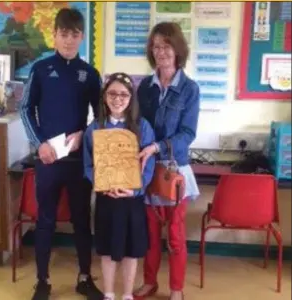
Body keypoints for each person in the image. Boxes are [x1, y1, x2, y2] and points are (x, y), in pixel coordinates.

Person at [20, 8, 103, 300]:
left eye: (74, 35)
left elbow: (102, 116)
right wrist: (39, 143)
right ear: (54, 35)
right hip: (49, 160)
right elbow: (25, 108)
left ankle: (84, 277)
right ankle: (42, 280)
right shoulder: (41, 70)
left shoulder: (90, 74)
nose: (69, 40)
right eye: (63, 34)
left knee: (82, 219)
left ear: (81, 37)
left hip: (79, 161)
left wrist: (85, 134)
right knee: (45, 220)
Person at [133, 22, 201, 300]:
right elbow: (135, 126)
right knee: (149, 236)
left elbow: (187, 133)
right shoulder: (144, 88)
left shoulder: (189, 89)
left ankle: (176, 289)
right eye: (156, 46)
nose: (161, 52)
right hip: (147, 171)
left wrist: (156, 147)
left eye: (166, 45)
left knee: (175, 236)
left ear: (177, 49)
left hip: (174, 173)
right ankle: (150, 283)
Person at [83, 72, 156, 300]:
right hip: (106, 198)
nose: (117, 99)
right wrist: (101, 184)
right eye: (112, 93)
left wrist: (135, 189)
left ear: (131, 98)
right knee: (106, 250)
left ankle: (126, 294)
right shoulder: (94, 128)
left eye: (123, 94)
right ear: (104, 96)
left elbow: (149, 164)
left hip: (131, 200)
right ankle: (109, 293)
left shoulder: (142, 127)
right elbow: (88, 164)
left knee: (130, 252)